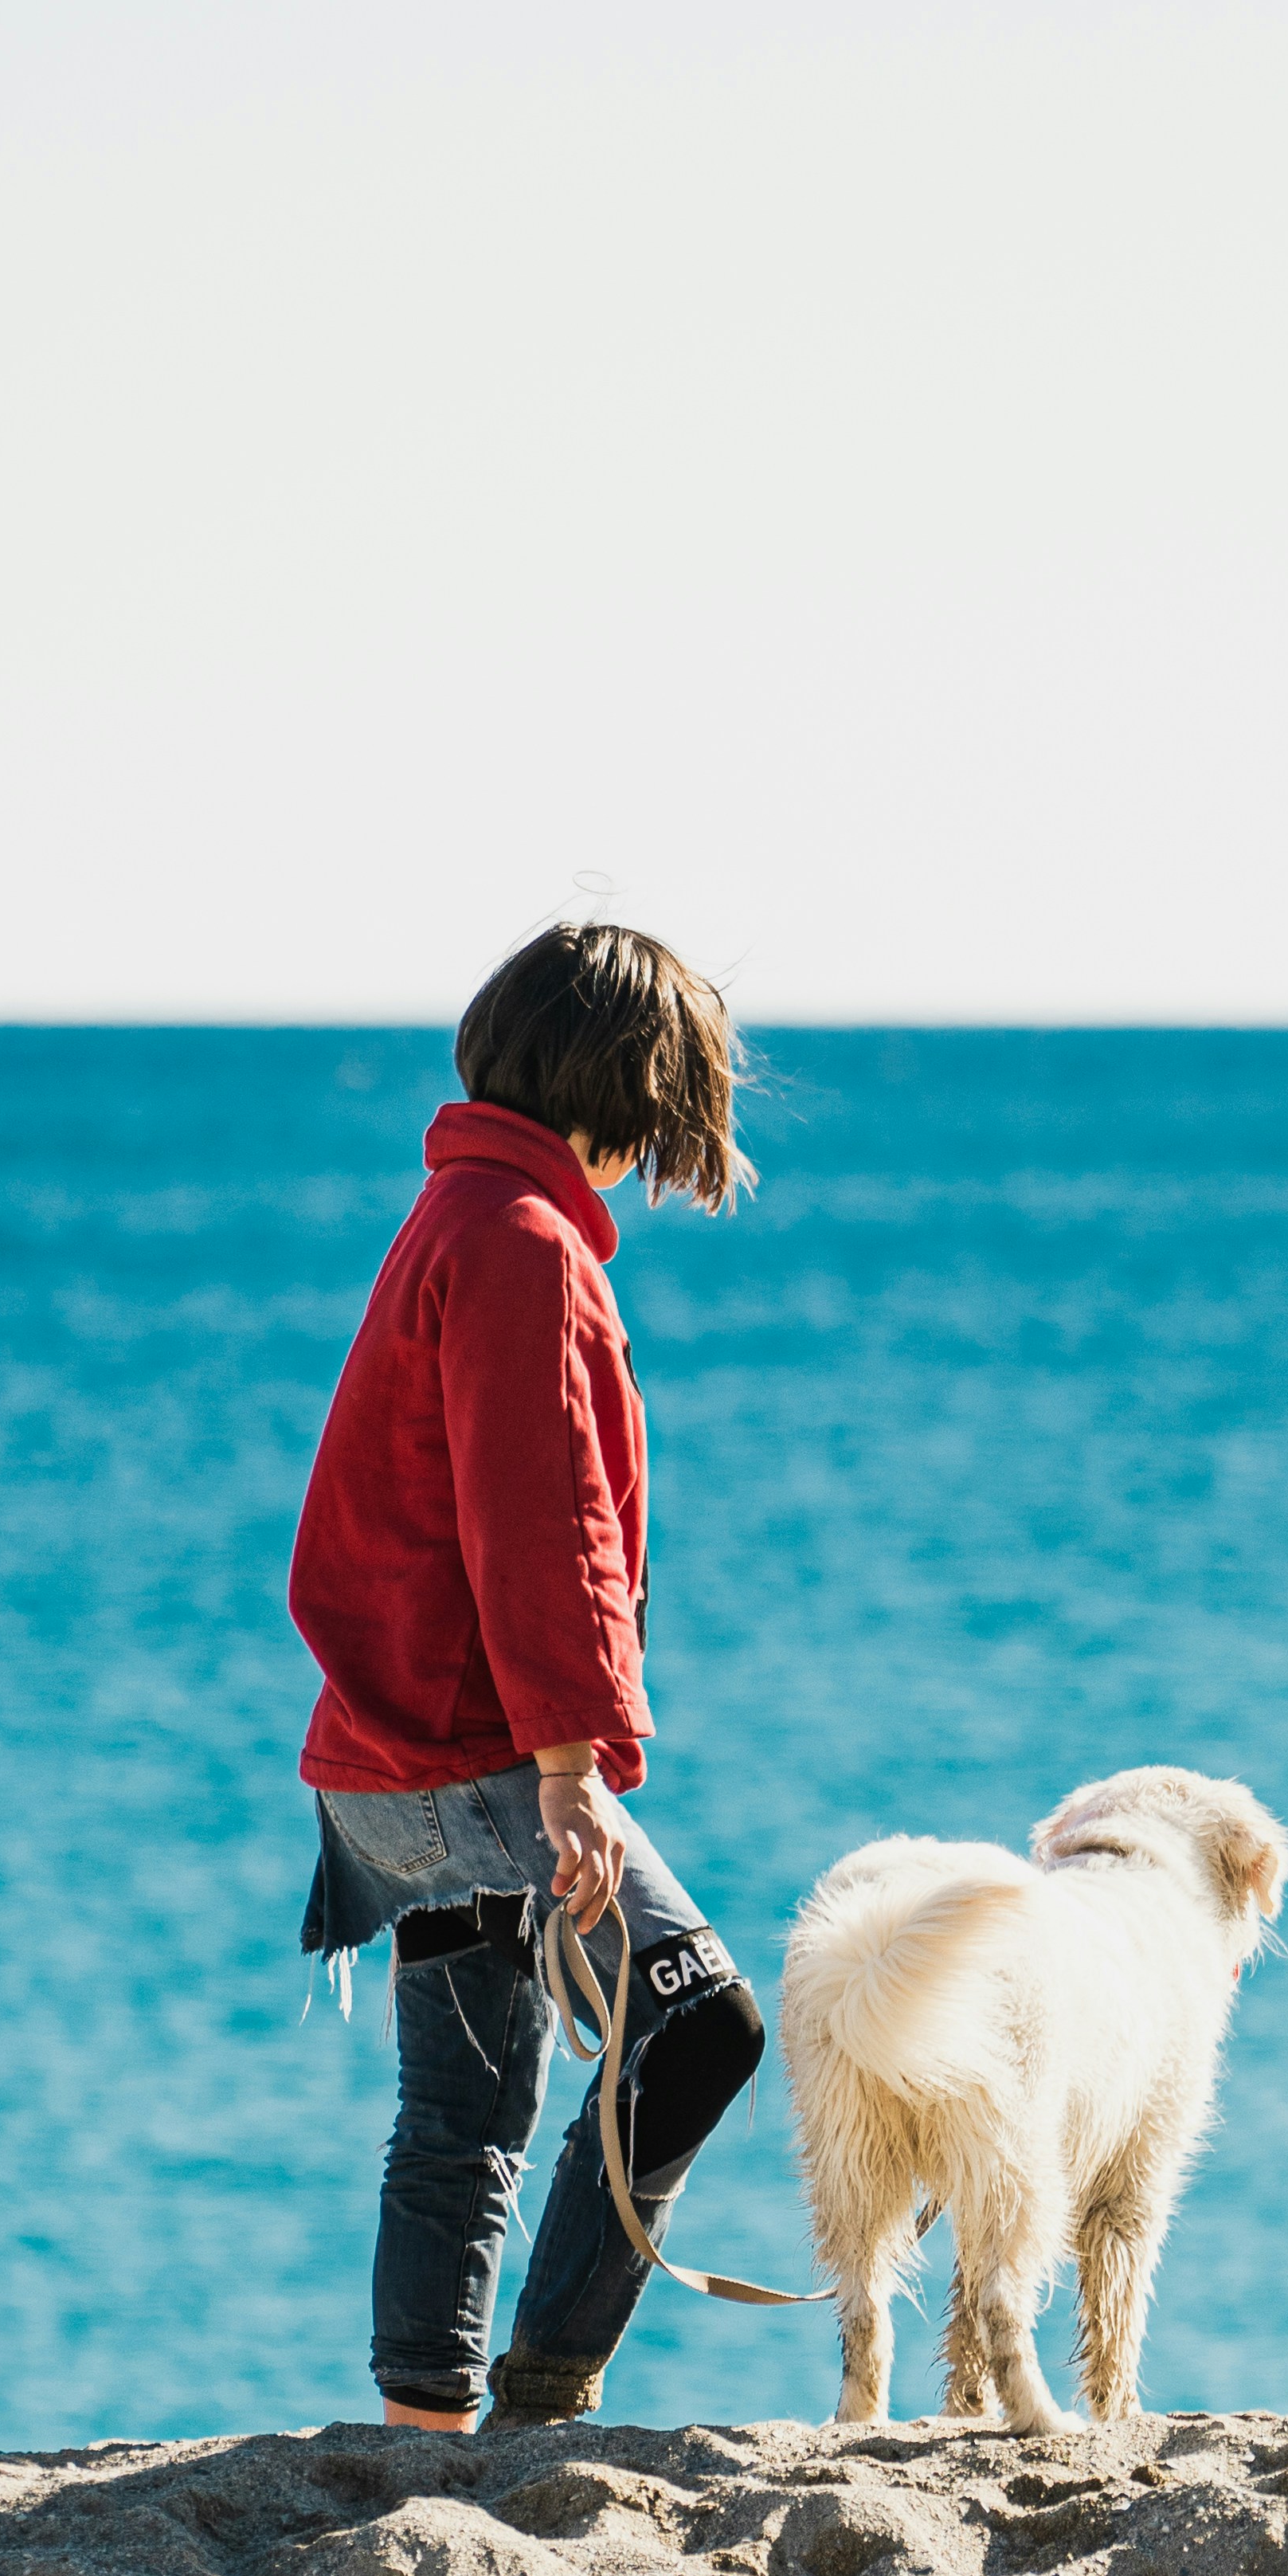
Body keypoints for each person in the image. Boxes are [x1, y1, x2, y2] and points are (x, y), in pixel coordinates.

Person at [284, 923, 770, 2433]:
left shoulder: (456, 1208)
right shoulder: (520, 1244)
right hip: (480, 1759)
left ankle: (421, 2434)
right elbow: (539, 1522)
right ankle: (544, 2397)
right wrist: (571, 1774)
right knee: (700, 2034)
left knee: (468, 2109)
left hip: (381, 1761)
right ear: (632, 1086)